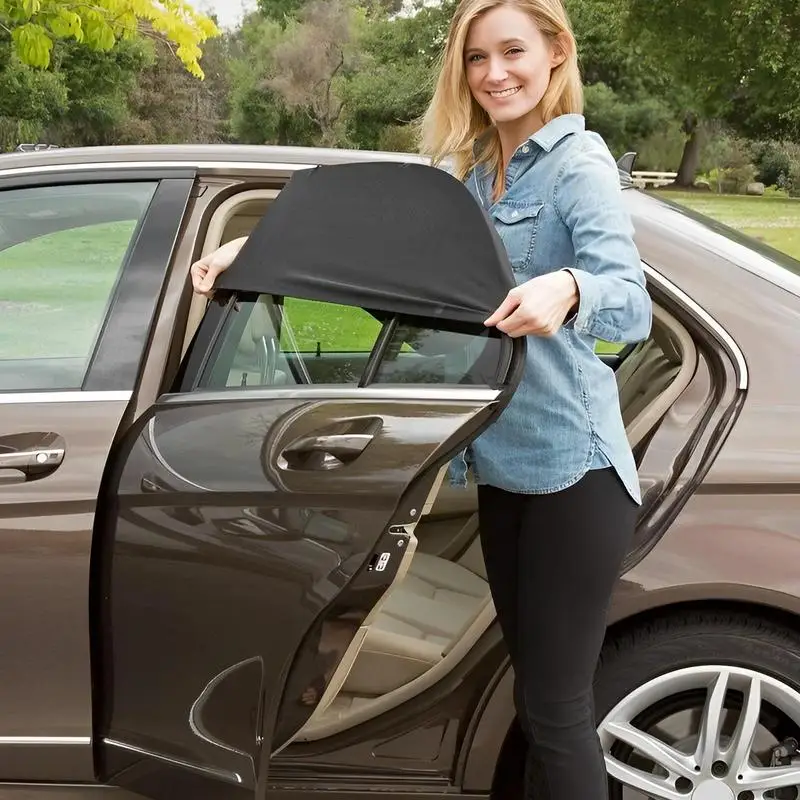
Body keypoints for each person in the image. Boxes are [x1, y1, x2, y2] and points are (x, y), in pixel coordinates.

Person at [191, 1, 651, 796]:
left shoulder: (579, 165)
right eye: (477, 58)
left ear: (555, 53)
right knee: (539, 705)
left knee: (557, 706)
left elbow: (631, 298)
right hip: (507, 467)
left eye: (512, 52)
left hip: (575, 472)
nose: (495, 73)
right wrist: (252, 246)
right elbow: (377, 239)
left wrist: (571, 288)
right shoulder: (470, 173)